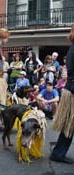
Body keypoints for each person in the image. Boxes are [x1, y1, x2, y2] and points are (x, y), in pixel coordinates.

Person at [50, 25, 74, 164]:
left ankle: (58, 153)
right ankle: (58, 153)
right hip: (72, 92)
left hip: (70, 91)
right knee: (68, 126)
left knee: (68, 126)